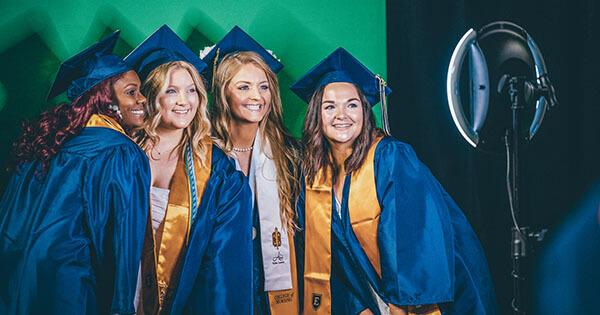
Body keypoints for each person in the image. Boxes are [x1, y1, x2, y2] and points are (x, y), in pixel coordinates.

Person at [291, 47, 497, 315]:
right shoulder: (315, 174)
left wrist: (402, 305)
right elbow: (325, 257)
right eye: (330, 106)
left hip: (428, 296)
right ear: (316, 116)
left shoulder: (390, 157)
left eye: (352, 104)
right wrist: (356, 307)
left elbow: (410, 236)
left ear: (365, 111)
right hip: (374, 297)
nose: (341, 115)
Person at [0, 31, 150, 314]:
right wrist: (120, 307)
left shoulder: (46, 142)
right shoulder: (120, 152)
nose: (143, 99)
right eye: (131, 92)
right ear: (106, 101)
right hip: (72, 288)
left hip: (19, 283)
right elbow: (121, 244)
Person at [124, 25, 252, 314]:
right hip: (123, 292)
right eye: (172, 90)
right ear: (150, 95)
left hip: (186, 299)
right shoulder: (123, 154)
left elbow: (223, 262)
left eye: (191, 90)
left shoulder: (217, 169)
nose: (185, 101)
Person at [201, 26, 301, 314]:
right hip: (216, 283)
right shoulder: (203, 154)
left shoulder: (290, 155)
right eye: (243, 86)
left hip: (274, 286)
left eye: (264, 86)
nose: (257, 96)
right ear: (222, 93)